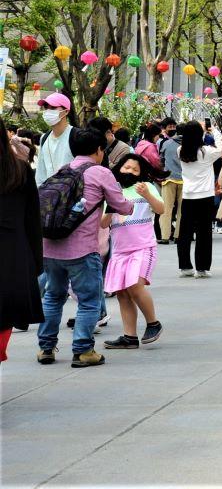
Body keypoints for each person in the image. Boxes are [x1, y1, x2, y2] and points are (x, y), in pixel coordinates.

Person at [37, 128, 134, 367]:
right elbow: (121, 206)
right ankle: (83, 350)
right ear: (100, 150)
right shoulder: (100, 172)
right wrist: (132, 204)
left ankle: (46, 348)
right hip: (81, 249)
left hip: (49, 247)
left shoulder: (63, 170)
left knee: (53, 296)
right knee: (89, 300)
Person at [100, 154, 165, 350]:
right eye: (127, 167)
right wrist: (111, 207)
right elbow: (103, 223)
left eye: (135, 170)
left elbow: (161, 209)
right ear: (119, 168)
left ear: (141, 174)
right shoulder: (112, 191)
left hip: (143, 247)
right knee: (122, 293)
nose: (130, 172)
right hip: (120, 251)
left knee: (135, 286)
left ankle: (153, 323)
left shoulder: (146, 187)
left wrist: (147, 195)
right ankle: (129, 336)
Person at [0, 118, 42, 363]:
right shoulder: (20, 170)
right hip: (12, 256)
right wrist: (35, 263)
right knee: (3, 318)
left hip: (13, 253)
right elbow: (32, 221)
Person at [176, 121, 222, 278]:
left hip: (188, 195)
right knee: (204, 232)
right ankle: (202, 268)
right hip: (205, 196)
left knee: (185, 232)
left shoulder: (180, 150)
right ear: (200, 135)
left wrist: (203, 132)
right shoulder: (206, 152)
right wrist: (215, 131)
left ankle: (185, 266)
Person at [34, 92, 74, 186]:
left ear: (66, 111)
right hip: (49, 196)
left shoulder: (76, 136)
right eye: (46, 107)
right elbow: (41, 172)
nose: (48, 111)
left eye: (53, 107)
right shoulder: (44, 138)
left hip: (72, 196)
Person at [158, 121, 184, 244]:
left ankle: (165, 236)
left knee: (166, 209)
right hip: (185, 181)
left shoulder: (166, 144)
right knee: (182, 210)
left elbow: (161, 161)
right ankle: (179, 235)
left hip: (169, 179)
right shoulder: (190, 145)